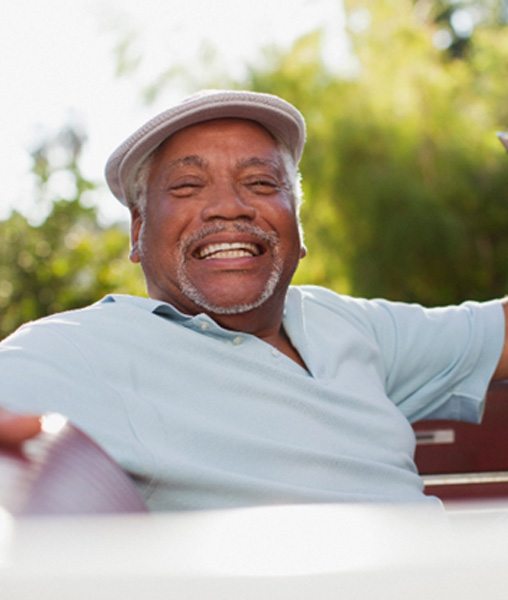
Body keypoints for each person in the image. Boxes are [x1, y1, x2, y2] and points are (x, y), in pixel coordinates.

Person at [1, 90, 507, 511]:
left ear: (298, 227)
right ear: (138, 232)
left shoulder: (349, 325)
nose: (229, 207)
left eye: (262, 183)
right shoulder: (88, 349)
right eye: (187, 186)